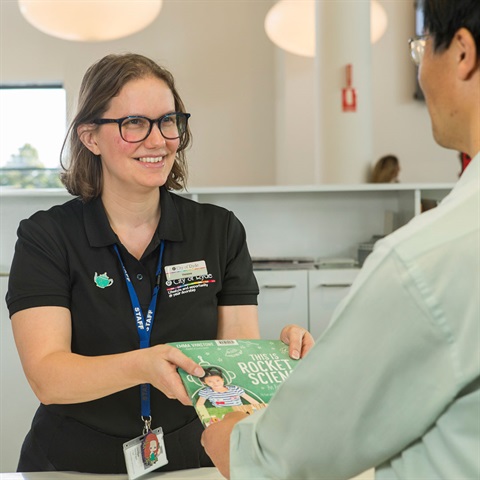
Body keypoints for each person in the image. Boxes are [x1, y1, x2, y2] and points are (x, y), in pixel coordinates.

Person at [201, 0, 480, 478]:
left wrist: (229, 438)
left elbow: (285, 456)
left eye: (419, 50)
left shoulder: (422, 262)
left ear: (461, 53)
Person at [5, 53, 314, 474]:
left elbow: (232, 360)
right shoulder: (47, 237)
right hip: (71, 462)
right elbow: (48, 376)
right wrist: (143, 365)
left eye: (168, 121)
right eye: (134, 123)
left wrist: (277, 359)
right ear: (90, 137)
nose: (158, 140)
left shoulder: (219, 231)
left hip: (192, 456)